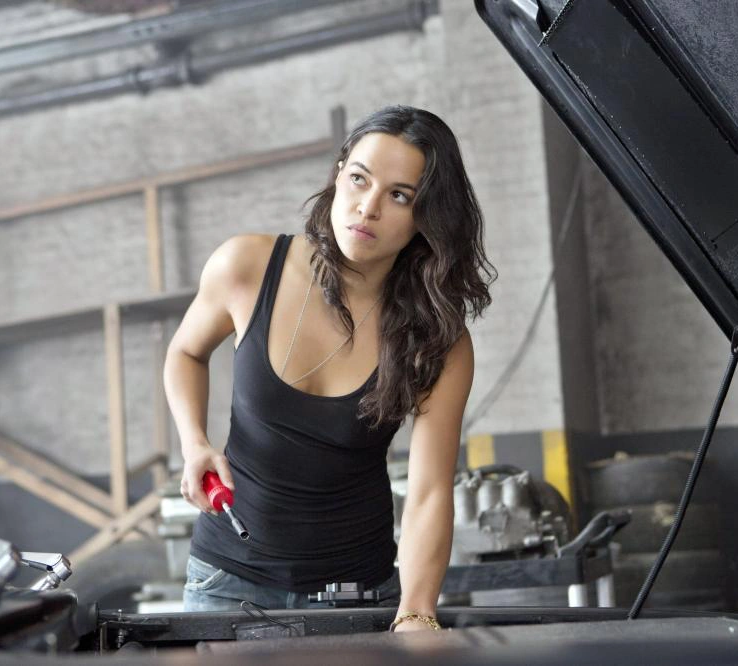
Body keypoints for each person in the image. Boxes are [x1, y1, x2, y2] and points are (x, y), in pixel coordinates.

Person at [163, 105, 494, 632]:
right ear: (339, 173)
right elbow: (185, 353)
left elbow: (430, 491)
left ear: (427, 215)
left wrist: (416, 611)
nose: (368, 208)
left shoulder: (437, 339)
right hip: (226, 583)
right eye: (360, 179)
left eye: (399, 196)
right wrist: (193, 443)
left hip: (357, 595)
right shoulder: (246, 265)